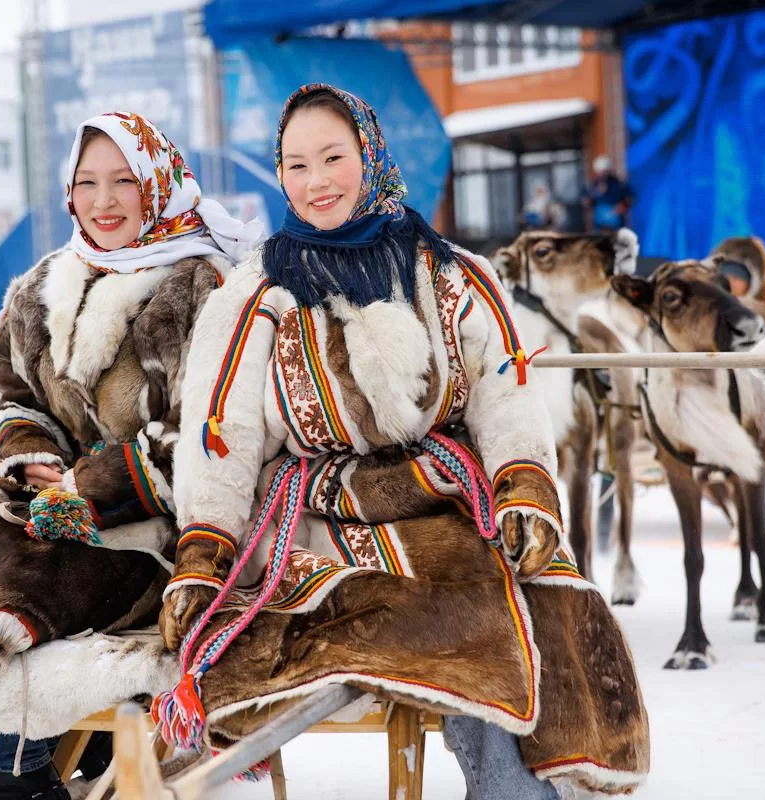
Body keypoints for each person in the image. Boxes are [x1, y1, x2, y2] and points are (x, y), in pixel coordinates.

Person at [155, 85, 649, 798]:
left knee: (516, 609)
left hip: (438, 504)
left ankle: (519, 788)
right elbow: (221, 433)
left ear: (372, 155)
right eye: (296, 165)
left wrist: (522, 486)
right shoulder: (255, 293)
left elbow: (504, 389)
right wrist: (206, 551)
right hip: (314, 520)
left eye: (333, 157)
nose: (316, 181)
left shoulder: (451, 273)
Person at [0, 112, 261, 800]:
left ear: (159, 186)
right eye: (86, 182)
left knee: (40, 563)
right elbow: (9, 389)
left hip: (166, 522)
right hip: (55, 508)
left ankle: (9, 767)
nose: (103, 201)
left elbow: (207, 424)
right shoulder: (42, 287)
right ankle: (9, 755)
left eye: (123, 181)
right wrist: (28, 460)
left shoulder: (204, 288)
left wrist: (94, 485)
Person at [582, 155, 634, 232]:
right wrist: (589, 200)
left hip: (617, 226)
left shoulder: (618, 184)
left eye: (605, 171)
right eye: (601, 171)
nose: (603, 173)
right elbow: (586, 201)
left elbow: (630, 198)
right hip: (599, 227)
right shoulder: (592, 185)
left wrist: (623, 206)